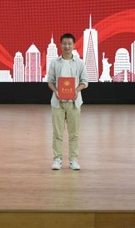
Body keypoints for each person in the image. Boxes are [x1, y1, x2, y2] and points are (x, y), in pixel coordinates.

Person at [46, 33, 88, 170]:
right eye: (64, 43)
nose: (67, 46)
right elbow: (50, 81)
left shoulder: (79, 63)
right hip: (57, 103)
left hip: (74, 103)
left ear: (74, 45)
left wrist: (76, 90)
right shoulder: (54, 62)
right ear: (60, 45)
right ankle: (57, 159)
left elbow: (85, 82)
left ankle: (73, 160)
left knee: (74, 134)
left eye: (69, 43)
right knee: (57, 133)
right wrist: (56, 91)